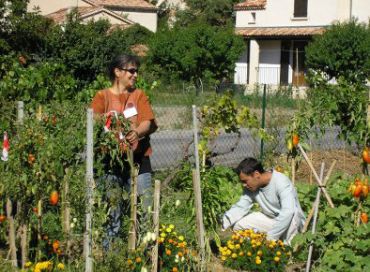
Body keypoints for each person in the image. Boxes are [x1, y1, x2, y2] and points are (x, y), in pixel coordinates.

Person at [90, 54, 157, 250]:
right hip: (110, 163)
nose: (135, 75)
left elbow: (148, 122)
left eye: (137, 71)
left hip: (138, 161)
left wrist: (136, 132)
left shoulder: (139, 96)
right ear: (117, 72)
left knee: (144, 210)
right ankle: (112, 255)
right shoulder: (102, 96)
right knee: (113, 211)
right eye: (131, 71)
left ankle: (144, 255)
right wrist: (109, 123)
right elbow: (92, 120)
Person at [222, 157, 305, 244]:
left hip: (291, 223)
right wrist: (225, 221)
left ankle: (283, 244)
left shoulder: (280, 181)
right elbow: (241, 206)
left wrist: (271, 237)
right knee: (237, 225)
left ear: (256, 174)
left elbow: (288, 212)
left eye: (245, 181)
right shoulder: (251, 187)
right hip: (272, 220)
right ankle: (254, 249)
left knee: (288, 248)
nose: (244, 185)